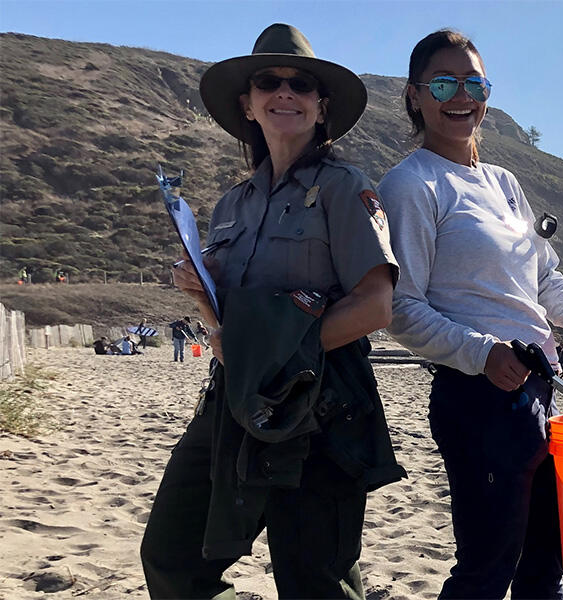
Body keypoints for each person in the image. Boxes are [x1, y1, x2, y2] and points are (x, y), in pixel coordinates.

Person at [141, 24, 405, 599]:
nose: (285, 92)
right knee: (171, 556)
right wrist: (202, 297)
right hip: (232, 398)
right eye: (269, 81)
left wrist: (284, 359)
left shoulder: (346, 188)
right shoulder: (232, 204)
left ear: (321, 105)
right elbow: (227, 326)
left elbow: (376, 305)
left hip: (323, 401)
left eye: (301, 84)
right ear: (248, 103)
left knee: (315, 577)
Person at [377, 29, 563, 600]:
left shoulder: (503, 183)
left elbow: (541, 276)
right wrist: (481, 353)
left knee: (544, 565)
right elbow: (402, 309)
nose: (461, 95)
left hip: (539, 389)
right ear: (415, 95)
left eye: (474, 82)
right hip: (477, 399)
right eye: (444, 83)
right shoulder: (411, 184)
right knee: (487, 568)